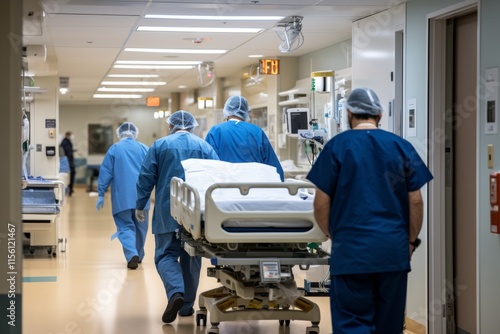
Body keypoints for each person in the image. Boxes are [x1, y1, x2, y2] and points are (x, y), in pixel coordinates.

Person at [306, 87, 433, 334]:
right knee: (389, 324)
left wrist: (335, 235)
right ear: (380, 115)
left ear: (349, 113)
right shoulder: (401, 147)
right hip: (392, 252)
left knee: (352, 322)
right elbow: (416, 202)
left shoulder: (337, 147)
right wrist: (409, 241)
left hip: (351, 252)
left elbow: (320, 204)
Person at [135, 110, 219, 323]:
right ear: (192, 126)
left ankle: (176, 293)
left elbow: (146, 177)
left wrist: (140, 204)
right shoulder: (204, 146)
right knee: (192, 257)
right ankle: (186, 307)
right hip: (197, 214)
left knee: (165, 255)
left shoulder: (160, 145)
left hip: (167, 211)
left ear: (171, 125)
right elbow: (218, 177)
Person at [95, 122, 150, 270]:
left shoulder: (115, 149)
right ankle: (138, 254)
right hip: (142, 197)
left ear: (120, 133)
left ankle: (132, 253)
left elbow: (106, 172)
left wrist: (101, 193)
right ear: (135, 133)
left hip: (122, 198)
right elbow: (152, 171)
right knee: (141, 228)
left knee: (125, 226)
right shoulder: (145, 149)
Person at [205, 95, 285, 181]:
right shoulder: (257, 131)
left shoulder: (216, 131)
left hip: (225, 186)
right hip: (253, 186)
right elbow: (274, 167)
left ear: (226, 111)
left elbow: (206, 162)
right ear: (246, 111)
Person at [60, 131, 76, 195]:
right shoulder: (65, 142)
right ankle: (70, 189)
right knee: (71, 174)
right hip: (68, 161)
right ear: (68, 135)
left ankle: (70, 189)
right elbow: (67, 152)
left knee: (71, 175)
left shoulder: (66, 142)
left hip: (68, 160)